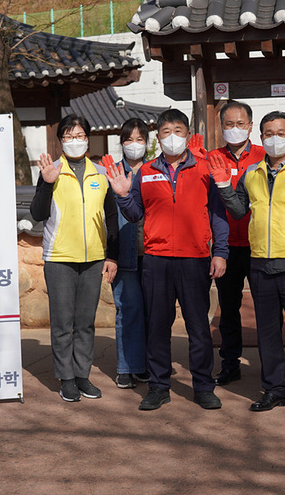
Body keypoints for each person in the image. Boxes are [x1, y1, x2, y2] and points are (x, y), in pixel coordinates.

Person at [103, 108, 229, 411]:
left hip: (195, 258)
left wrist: (220, 252)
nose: (172, 137)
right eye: (165, 132)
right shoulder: (145, 172)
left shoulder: (203, 169)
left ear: (187, 134)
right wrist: (122, 194)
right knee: (157, 326)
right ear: (157, 138)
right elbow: (134, 214)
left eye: (178, 131)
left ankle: (203, 386)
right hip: (157, 260)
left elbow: (218, 214)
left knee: (198, 327)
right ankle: (159, 386)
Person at [211, 111, 285, 417]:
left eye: (280, 133)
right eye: (268, 133)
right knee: (268, 333)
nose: (274, 138)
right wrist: (224, 185)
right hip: (261, 263)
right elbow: (238, 211)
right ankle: (275, 389)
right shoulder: (252, 172)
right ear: (261, 137)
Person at [29, 114, 118, 403]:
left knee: (85, 322)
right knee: (62, 322)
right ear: (60, 141)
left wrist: (111, 255)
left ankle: (83, 375)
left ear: (88, 139)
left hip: (93, 257)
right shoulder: (51, 171)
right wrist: (45, 184)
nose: (74, 141)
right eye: (68, 136)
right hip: (59, 258)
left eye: (79, 135)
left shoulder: (102, 173)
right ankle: (66, 378)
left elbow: (112, 217)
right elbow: (37, 214)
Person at [207, 100, 265, 386]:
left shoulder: (266, 155)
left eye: (240, 124)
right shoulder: (212, 159)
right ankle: (230, 363)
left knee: (266, 308)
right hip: (226, 247)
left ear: (251, 126)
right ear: (221, 128)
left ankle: (270, 363)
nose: (235, 129)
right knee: (229, 308)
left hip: (260, 246)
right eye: (228, 124)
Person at [110, 118, 152, 389]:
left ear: (147, 143)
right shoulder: (110, 171)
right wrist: (109, 254)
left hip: (154, 251)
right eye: (128, 140)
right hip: (123, 252)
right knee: (128, 309)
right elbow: (105, 216)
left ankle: (148, 363)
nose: (134, 145)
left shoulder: (156, 170)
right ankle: (126, 367)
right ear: (121, 143)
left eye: (139, 140)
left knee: (153, 311)